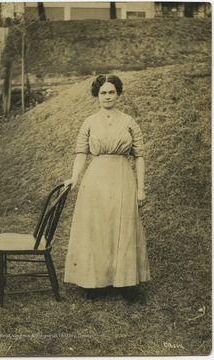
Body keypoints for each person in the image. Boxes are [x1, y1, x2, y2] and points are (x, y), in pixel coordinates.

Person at [64, 74, 150, 301]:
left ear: (118, 94)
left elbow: (139, 156)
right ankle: (95, 283)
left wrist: (141, 189)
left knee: (124, 227)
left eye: (112, 92)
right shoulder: (90, 122)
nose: (107, 96)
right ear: (97, 95)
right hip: (96, 180)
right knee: (97, 228)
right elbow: (81, 152)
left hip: (122, 178)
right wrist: (74, 177)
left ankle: (127, 283)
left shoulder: (130, 122)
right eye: (103, 92)